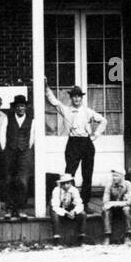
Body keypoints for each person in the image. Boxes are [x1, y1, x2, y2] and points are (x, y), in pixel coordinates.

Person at [44, 78, 105, 209]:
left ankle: (85, 203)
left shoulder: (87, 111)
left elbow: (103, 121)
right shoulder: (66, 110)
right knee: (69, 174)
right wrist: (46, 87)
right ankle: (67, 202)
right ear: (71, 98)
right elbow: (54, 101)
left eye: (78, 97)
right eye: (74, 97)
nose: (76, 99)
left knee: (87, 175)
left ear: (81, 98)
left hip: (86, 143)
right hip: (73, 143)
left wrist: (96, 135)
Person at [4, 94, 36, 219]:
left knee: (23, 181)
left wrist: (26, 148)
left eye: (22, 106)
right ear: (15, 107)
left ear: (26, 107)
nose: (20, 109)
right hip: (10, 152)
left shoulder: (31, 120)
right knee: (9, 180)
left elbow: (33, 137)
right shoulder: (8, 118)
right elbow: (2, 134)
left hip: (24, 153)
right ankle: (9, 208)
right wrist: (5, 148)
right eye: (18, 106)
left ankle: (21, 208)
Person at [49, 173, 85, 246]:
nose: (66, 186)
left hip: (70, 211)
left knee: (83, 214)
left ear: (71, 183)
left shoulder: (74, 190)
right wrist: (65, 212)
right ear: (60, 184)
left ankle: (81, 237)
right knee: (54, 213)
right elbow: (55, 206)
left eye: (68, 183)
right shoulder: (56, 190)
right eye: (63, 183)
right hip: (60, 211)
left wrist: (74, 211)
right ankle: (57, 238)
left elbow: (79, 204)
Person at [101, 168, 131, 244]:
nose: (113, 178)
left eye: (116, 176)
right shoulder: (109, 185)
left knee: (126, 209)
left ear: (122, 176)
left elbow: (128, 202)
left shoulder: (127, 184)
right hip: (113, 210)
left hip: (123, 208)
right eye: (113, 176)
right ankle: (107, 235)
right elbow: (105, 201)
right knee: (106, 210)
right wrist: (111, 204)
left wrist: (112, 203)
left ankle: (128, 234)